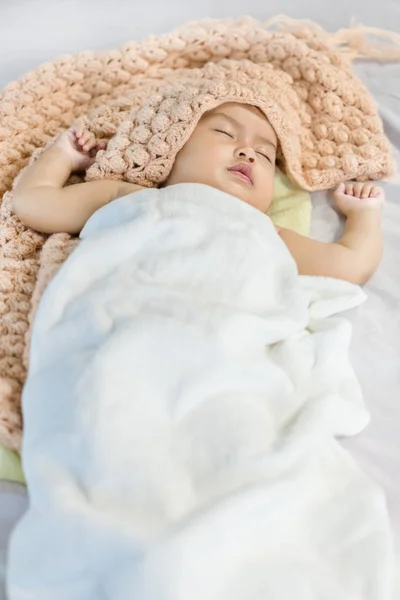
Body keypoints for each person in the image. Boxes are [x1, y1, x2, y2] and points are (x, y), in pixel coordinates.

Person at [12, 102, 385, 285]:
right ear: (171, 150)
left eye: (266, 154)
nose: (248, 152)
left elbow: (348, 265)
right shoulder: (130, 197)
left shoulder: (262, 232)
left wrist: (363, 214)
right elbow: (35, 203)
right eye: (224, 133)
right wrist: (62, 156)